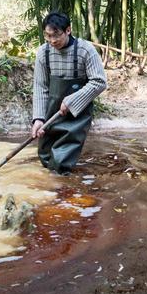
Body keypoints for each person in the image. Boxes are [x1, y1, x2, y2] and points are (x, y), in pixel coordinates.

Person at [31, 12, 107, 173]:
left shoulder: (86, 50)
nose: (52, 40)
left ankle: (61, 193)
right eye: (48, 35)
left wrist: (72, 101)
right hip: (51, 114)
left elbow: (99, 82)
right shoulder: (43, 53)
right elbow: (40, 87)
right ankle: (53, 193)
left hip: (76, 117)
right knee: (45, 158)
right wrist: (38, 119)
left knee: (60, 164)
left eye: (56, 35)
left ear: (68, 30)